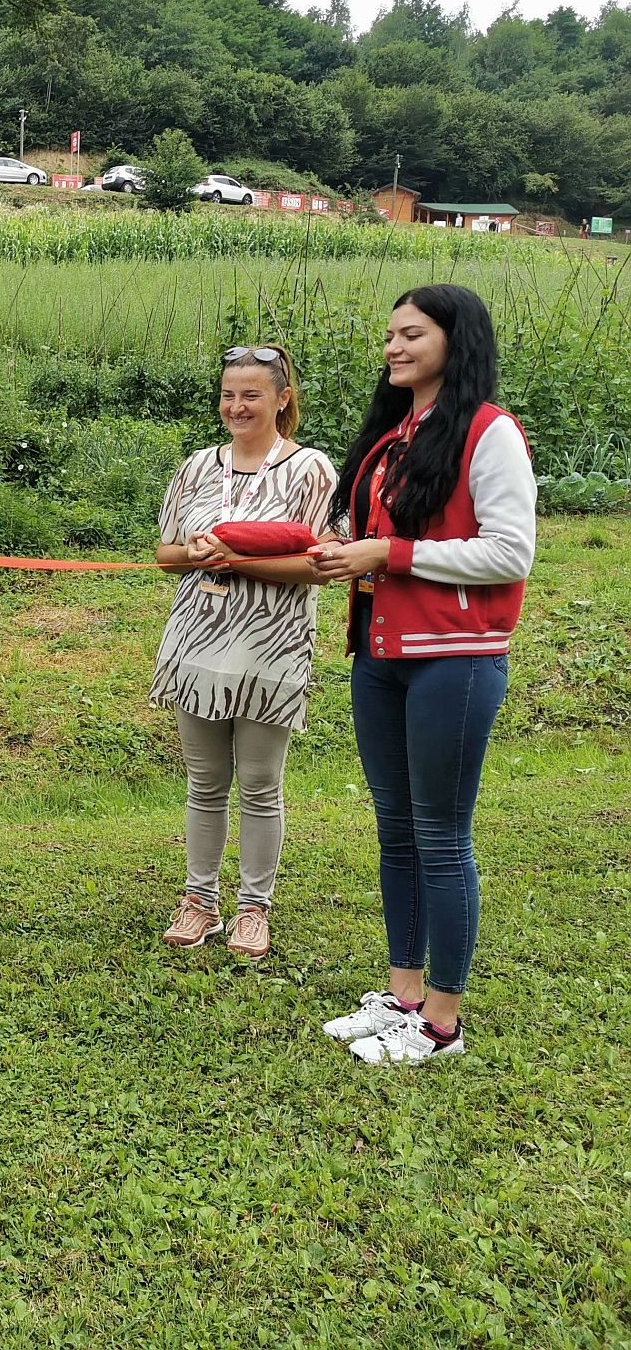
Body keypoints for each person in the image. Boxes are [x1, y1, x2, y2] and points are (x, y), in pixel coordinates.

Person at [310, 284, 535, 1064]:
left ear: (455, 339)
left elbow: (511, 551)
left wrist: (389, 554)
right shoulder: (396, 435)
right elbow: (371, 538)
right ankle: (403, 995)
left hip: (456, 660)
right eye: (390, 336)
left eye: (412, 334)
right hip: (379, 656)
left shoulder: (488, 431)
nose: (394, 348)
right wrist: (343, 553)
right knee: (397, 829)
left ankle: (441, 1022)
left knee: (442, 834)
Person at [151, 345, 336, 959]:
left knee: (260, 783)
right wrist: (198, 554)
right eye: (229, 394)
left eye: (251, 395)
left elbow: (320, 565)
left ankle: (253, 907)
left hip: (271, 647)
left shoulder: (311, 470)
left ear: (282, 399)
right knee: (204, 783)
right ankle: (198, 901)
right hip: (198, 640)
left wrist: (240, 558)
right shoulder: (200, 465)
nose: (237, 406)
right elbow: (167, 553)